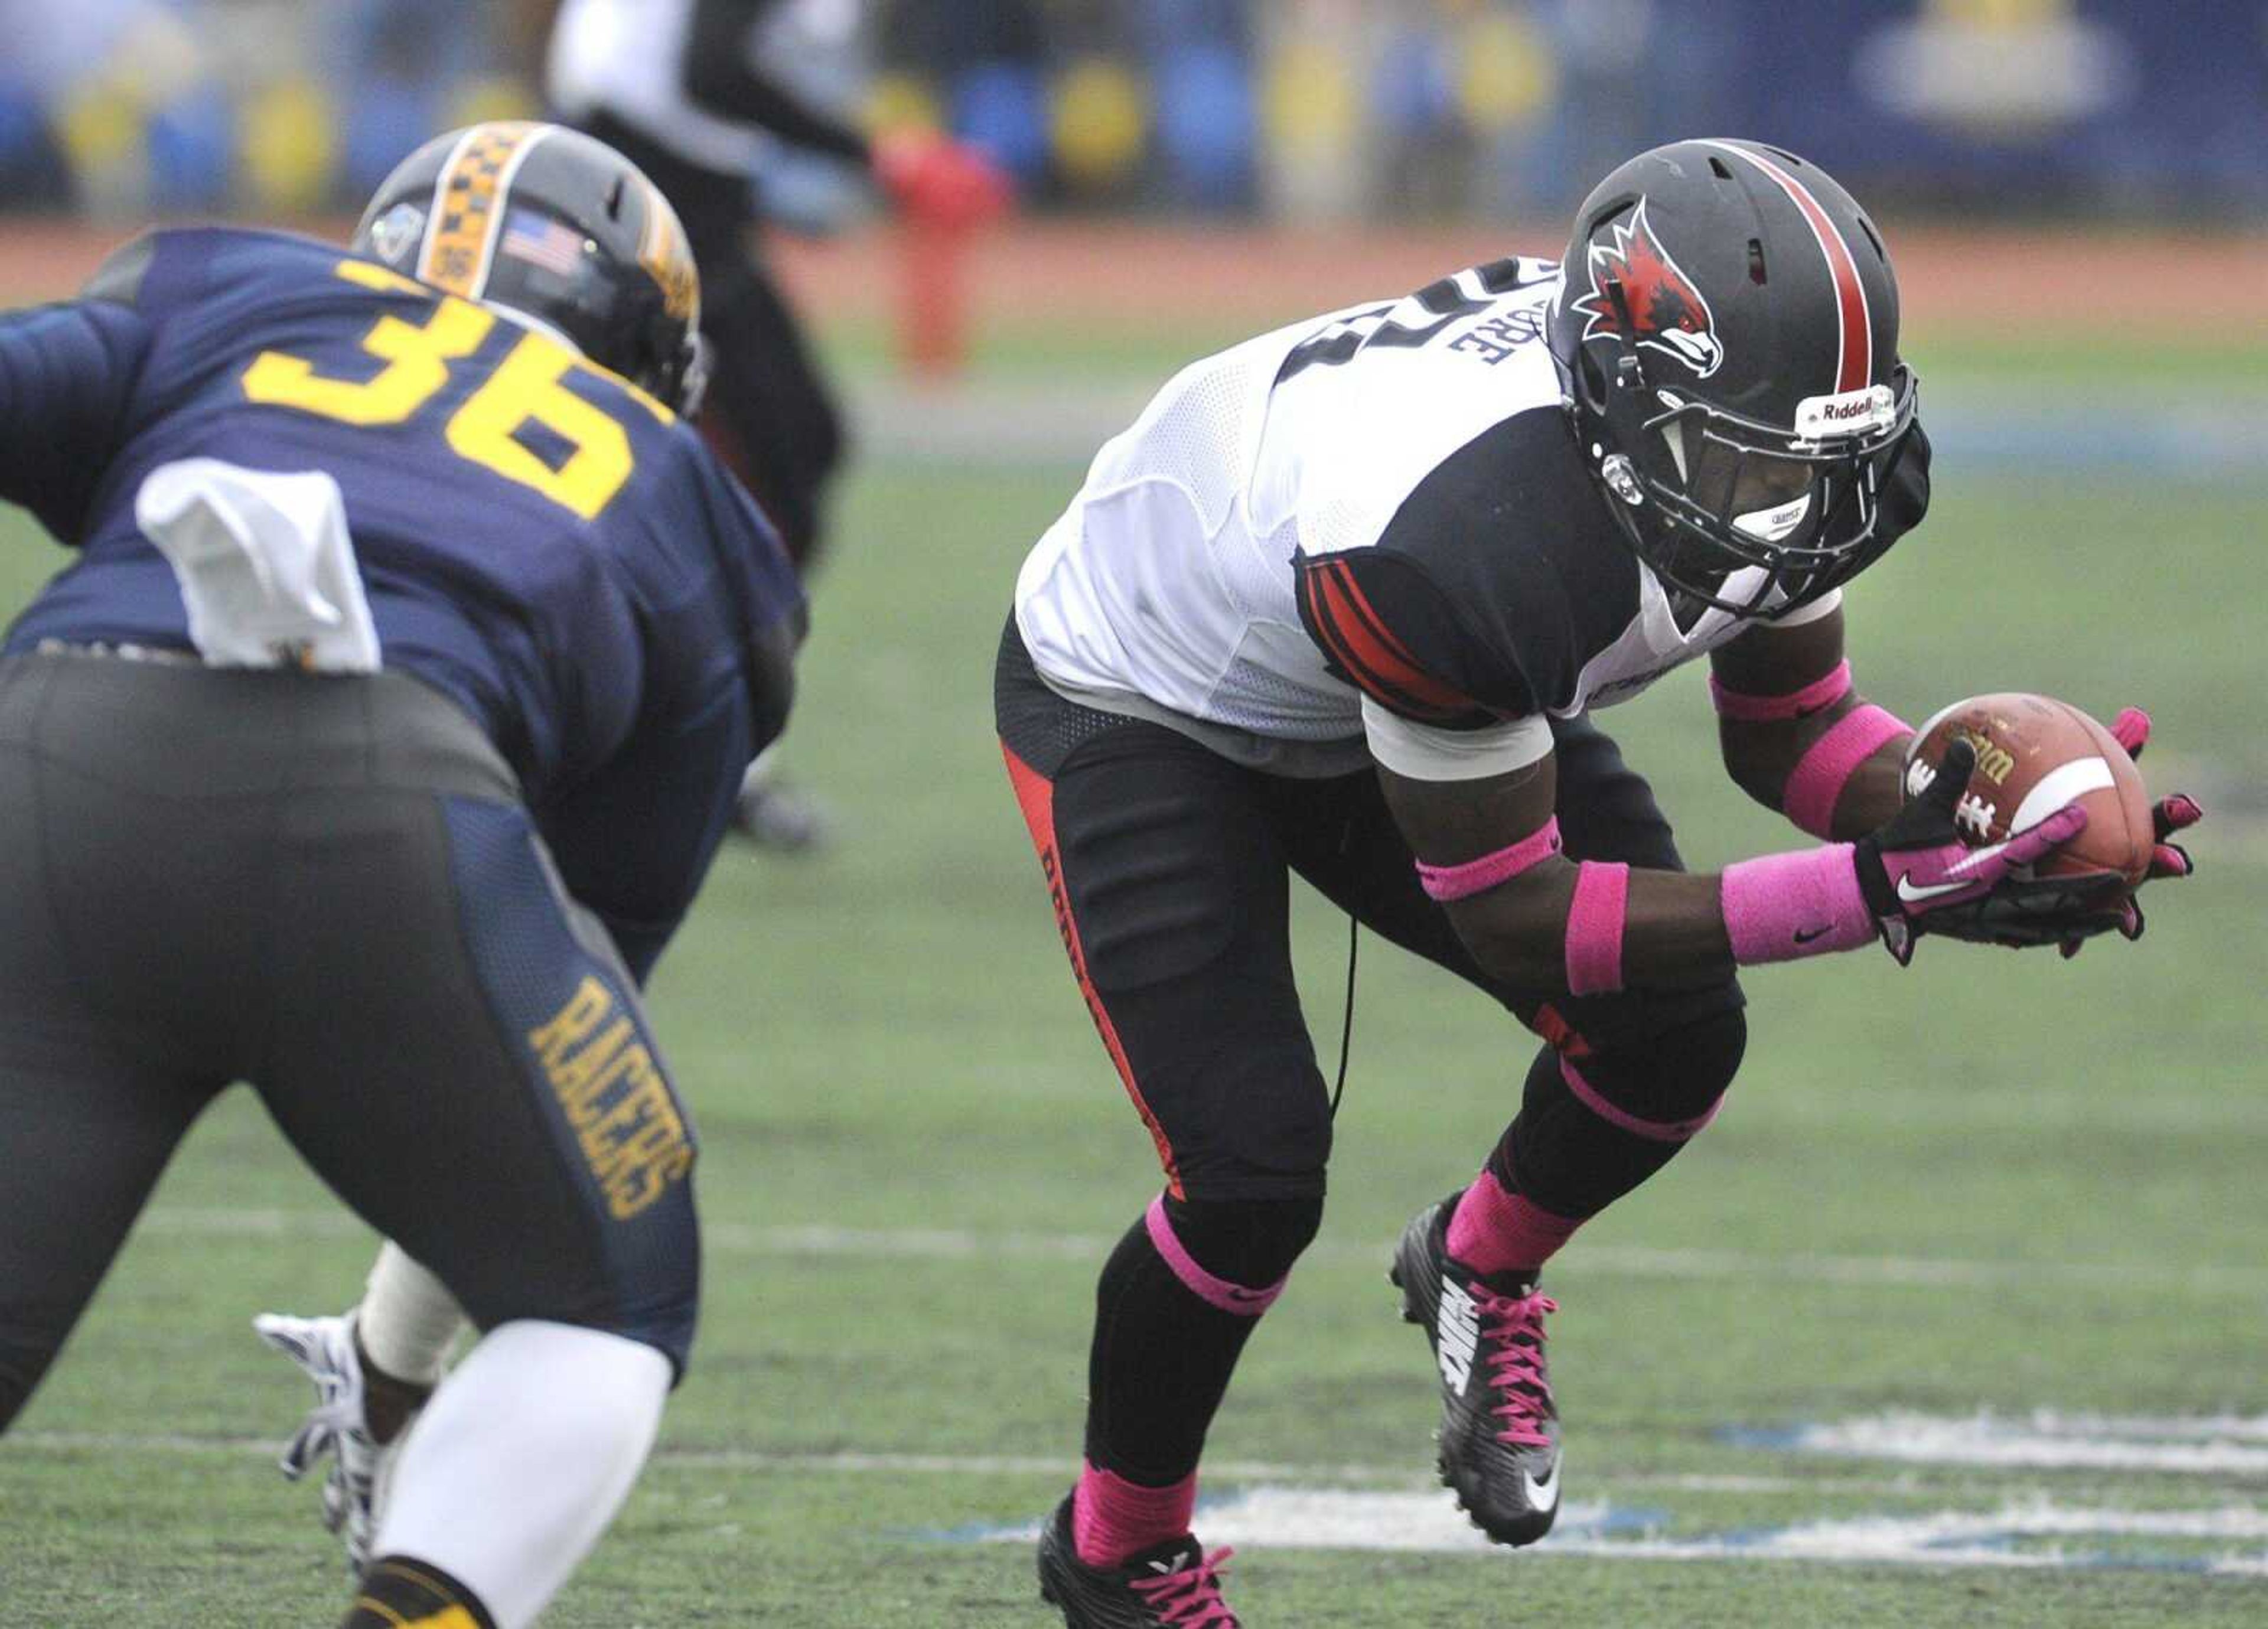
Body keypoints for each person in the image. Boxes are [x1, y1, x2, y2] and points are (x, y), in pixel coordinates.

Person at [997, 138, 2199, 1625]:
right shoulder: (1455, 541)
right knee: (1251, 1172)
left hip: (1405, 680)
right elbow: (1522, 912)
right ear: (1623, 407)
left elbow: (1795, 733)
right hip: (1149, 694)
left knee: (1678, 1032)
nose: (1791, 506)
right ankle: (1118, 1550)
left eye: (1815, 456)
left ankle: (1476, 1268)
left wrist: (1971, 818)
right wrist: (1880, 893)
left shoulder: (1774, 443)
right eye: (1753, 462)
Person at [0, 120, 803, 1629]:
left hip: (51, 762)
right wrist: (391, 1361)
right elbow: (576, 970)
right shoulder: (698, 514)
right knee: (610, 1304)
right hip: (394, 803)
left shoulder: (224, 289)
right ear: (641, 336)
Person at [547, 0, 1006, 848]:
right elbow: (707, 67)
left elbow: (671, 75)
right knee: (756, 485)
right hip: (648, 200)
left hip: (656, 187)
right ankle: (677, 741)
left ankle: (705, 743)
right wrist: (880, 155)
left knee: (785, 459)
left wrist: (771, 194)